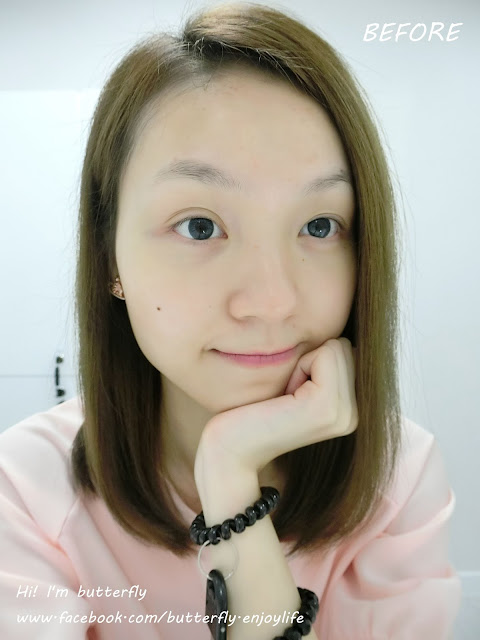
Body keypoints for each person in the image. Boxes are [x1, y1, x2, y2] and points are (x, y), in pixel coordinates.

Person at [0, 2, 461, 639]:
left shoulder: (398, 475)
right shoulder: (25, 488)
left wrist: (231, 477)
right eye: (199, 226)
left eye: (319, 225)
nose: (272, 301)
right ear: (110, 259)